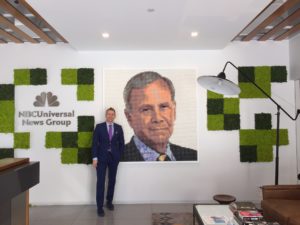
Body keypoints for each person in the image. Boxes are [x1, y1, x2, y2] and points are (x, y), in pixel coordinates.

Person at [121, 71, 197, 162]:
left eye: (163, 107)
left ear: (174, 111)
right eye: (146, 109)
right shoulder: (117, 159)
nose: (158, 118)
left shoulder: (193, 156)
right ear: (129, 118)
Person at [92, 107, 124, 217]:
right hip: (101, 158)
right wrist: (95, 158)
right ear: (106, 115)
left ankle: (109, 202)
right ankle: (99, 207)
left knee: (112, 180)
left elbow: (121, 144)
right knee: (101, 182)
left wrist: (118, 156)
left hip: (114, 159)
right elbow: (95, 143)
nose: (110, 116)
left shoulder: (119, 128)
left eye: (112, 114)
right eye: (108, 114)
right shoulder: (99, 127)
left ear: (115, 116)